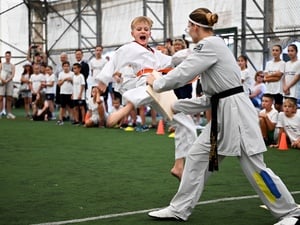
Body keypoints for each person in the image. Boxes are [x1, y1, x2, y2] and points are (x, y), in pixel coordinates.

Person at [146, 8, 300, 224]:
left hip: (236, 116)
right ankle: (179, 208)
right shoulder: (212, 47)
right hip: (222, 116)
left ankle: (290, 212)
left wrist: (158, 83)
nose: (188, 32)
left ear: (196, 27)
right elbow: (211, 97)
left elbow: (184, 72)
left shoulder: (209, 45)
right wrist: (178, 105)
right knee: (196, 158)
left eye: (189, 27)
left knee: (254, 166)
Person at [264, 45, 285, 112]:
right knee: (267, 107)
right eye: (273, 50)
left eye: (277, 50)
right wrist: (275, 74)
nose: (274, 52)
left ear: (280, 52)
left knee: (278, 107)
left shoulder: (283, 63)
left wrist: (268, 77)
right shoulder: (268, 63)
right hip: (269, 89)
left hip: (278, 90)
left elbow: (278, 78)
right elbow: (265, 77)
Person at [56, 61, 73, 125]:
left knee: (71, 107)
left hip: (71, 92)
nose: (66, 67)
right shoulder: (61, 74)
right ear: (63, 67)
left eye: (67, 66)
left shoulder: (72, 73)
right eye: (64, 66)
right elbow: (59, 84)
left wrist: (71, 80)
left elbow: (75, 83)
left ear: (69, 66)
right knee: (62, 107)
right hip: (63, 92)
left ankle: (73, 119)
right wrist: (64, 79)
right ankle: (60, 120)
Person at [0, 51, 16, 119]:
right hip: (2, 81)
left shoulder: (12, 65)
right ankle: (0, 112)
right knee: (0, 97)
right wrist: (2, 80)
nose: (7, 57)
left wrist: (7, 80)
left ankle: (9, 113)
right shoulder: (1, 64)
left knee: (9, 97)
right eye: (6, 56)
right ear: (5, 56)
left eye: (8, 56)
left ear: (10, 57)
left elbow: (12, 75)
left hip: (9, 81)